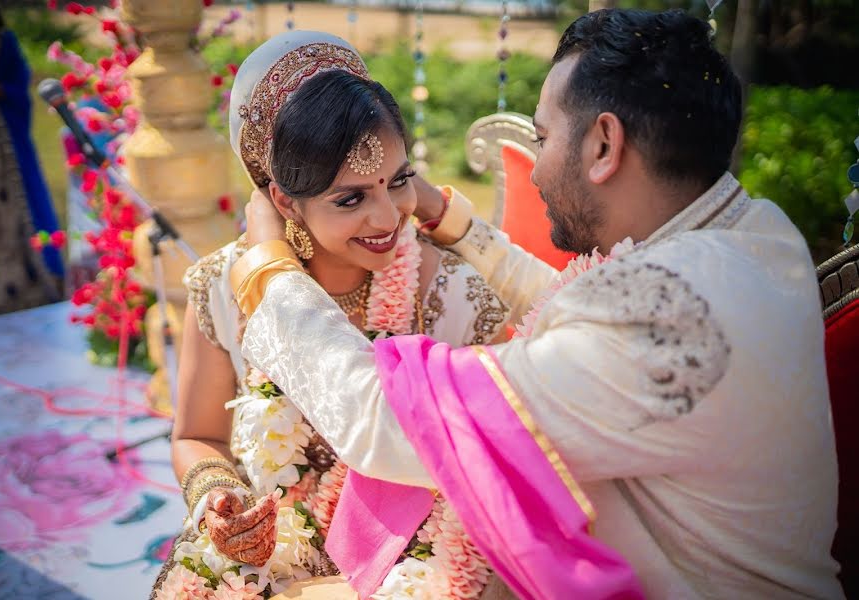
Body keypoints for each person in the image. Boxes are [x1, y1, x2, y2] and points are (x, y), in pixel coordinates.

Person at [232, 9, 844, 600]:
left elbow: (386, 422)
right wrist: (453, 220)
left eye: (544, 137)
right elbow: (572, 304)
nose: (533, 169)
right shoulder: (753, 234)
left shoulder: (663, 319)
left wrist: (269, 268)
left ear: (605, 144)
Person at [153, 31, 569, 600]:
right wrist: (221, 499)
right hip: (272, 540)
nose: (386, 219)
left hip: (412, 553)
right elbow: (197, 434)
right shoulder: (226, 286)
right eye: (350, 199)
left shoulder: (449, 292)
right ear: (282, 200)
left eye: (398, 183)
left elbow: (490, 456)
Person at [0, 0, 63, 321]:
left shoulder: (0, 42)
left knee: (14, 216)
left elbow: (17, 94)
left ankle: (23, 292)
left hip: (1, 151)